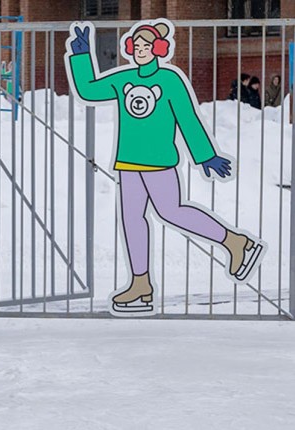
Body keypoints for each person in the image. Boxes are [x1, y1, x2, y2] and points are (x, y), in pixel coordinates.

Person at [65, 20, 263, 315]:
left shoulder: (169, 80)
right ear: (131, 50)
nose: (142, 51)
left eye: (147, 46)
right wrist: (81, 57)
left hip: (159, 164)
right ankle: (141, 284)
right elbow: (90, 91)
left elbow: (187, 118)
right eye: (138, 46)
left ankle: (236, 242)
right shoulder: (124, 80)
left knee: (172, 211)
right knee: (132, 220)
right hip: (128, 164)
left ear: (157, 49)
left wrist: (205, 155)